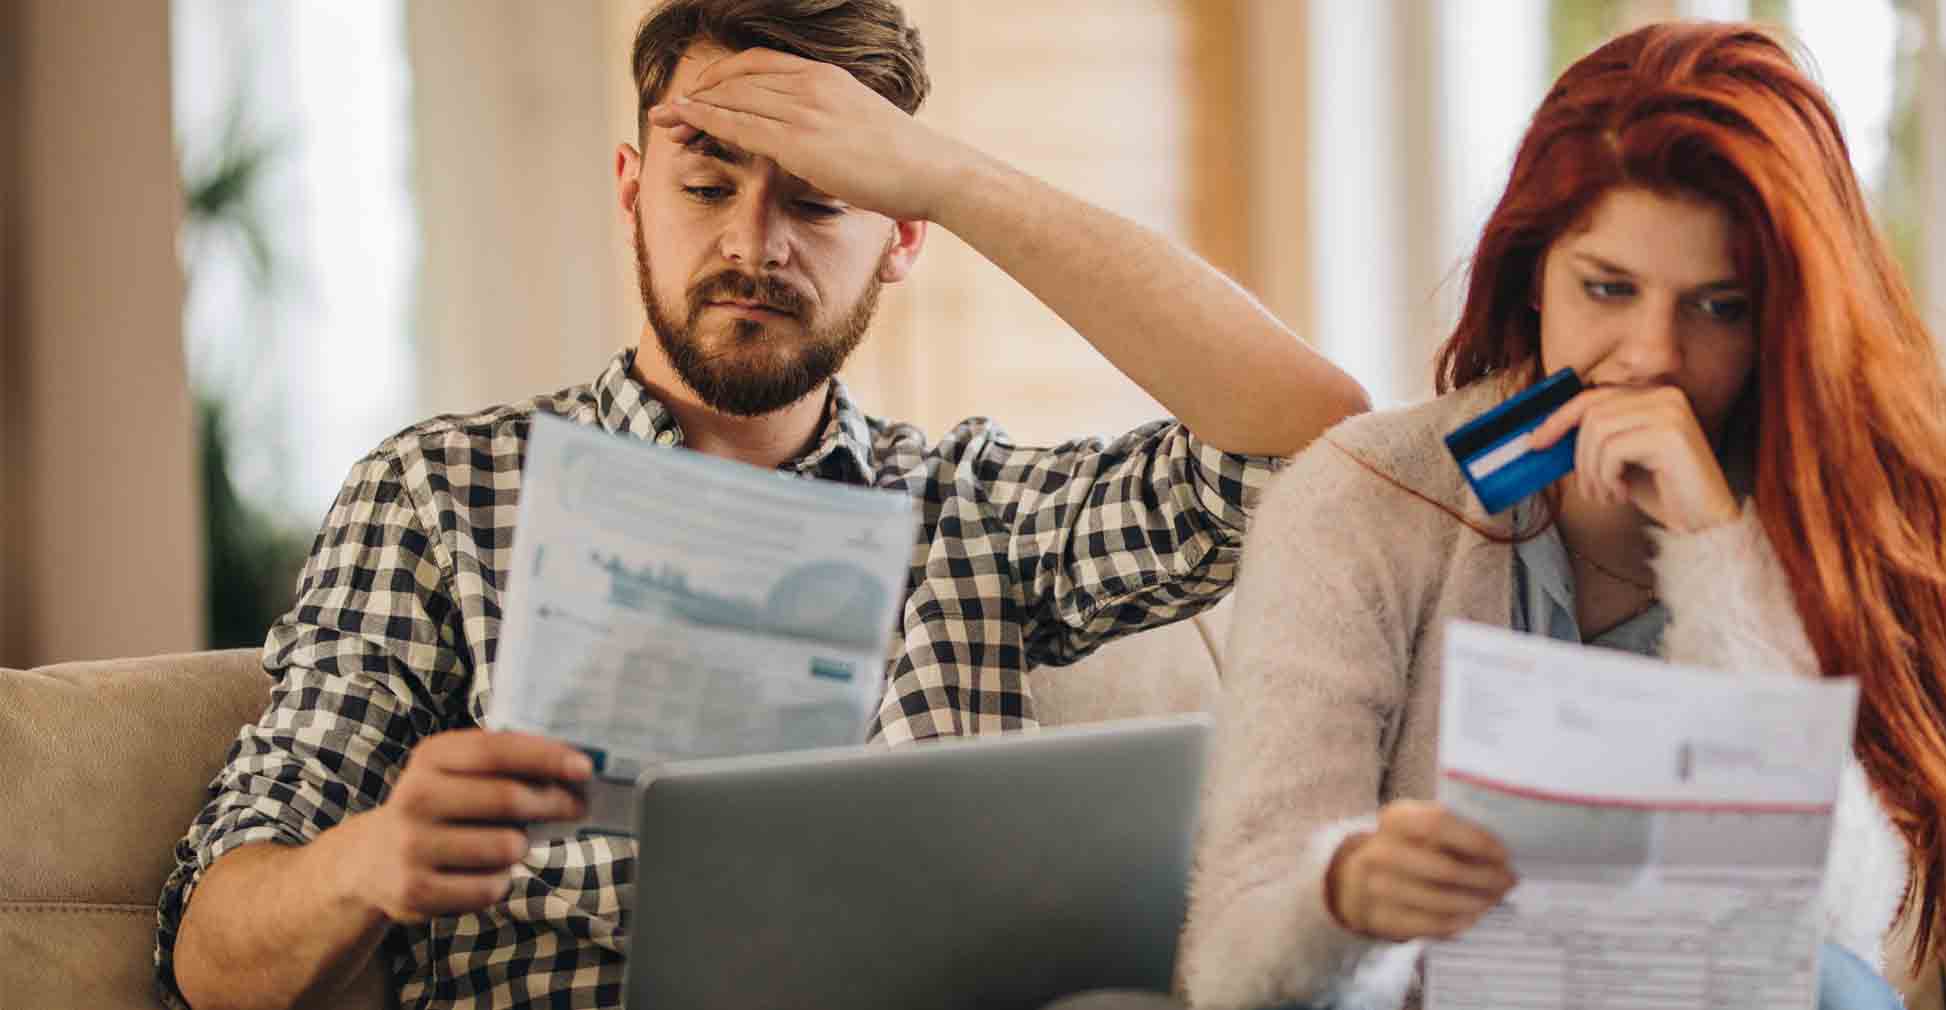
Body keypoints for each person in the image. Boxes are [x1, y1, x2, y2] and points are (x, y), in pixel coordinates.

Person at [156, 2, 1369, 1008]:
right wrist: (370, 861)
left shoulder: (970, 508)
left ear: (901, 238)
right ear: (634, 189)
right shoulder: (438, 495)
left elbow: (1307, 440)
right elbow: (209, 956)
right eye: (705, 182)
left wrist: (954, 179)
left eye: (820, 198)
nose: (754, 243)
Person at [1181, 22, 1946, 1010]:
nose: (1648, 356)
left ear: (1785, 323)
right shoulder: (1363, 498)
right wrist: (1350, 891)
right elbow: (1234, 959)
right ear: (1532, 276)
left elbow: (1828, 928)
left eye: (1719, 307)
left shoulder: (1819, 516)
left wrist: (1719, 553)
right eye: (1608, 288)